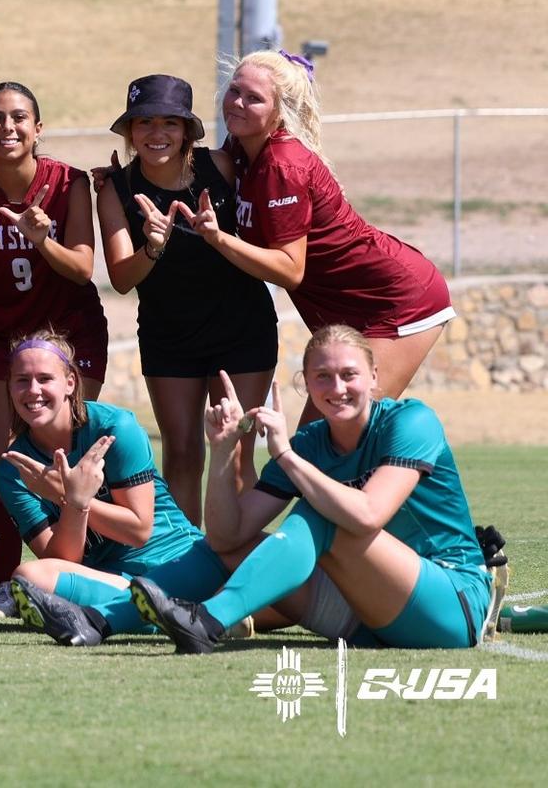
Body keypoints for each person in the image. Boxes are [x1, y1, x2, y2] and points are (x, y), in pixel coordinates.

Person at [133, 326, 494, 653]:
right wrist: (224, 453)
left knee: (321, 515)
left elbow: (369, 514)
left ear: (373, 377)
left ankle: (205, 620)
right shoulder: (311, 443)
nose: (337, 388)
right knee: (236, 547)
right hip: (365, 617)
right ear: (305, 383)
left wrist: (285, 455)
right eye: (322, 377)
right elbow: (227, 538)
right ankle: (101, 620)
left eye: (349, 375)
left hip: (452, 606)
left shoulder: (412, 422)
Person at [0, 81, 107, 616]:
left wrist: (40, 239)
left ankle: (89, 575)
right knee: (3, 457)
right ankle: (12, 582)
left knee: (73, 451)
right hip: (3, 338)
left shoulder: (68, 183)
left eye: (18, 118)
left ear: (38, 128)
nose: (7, 128)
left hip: (72, 332)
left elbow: (82, 268)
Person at [210, 51, 455, 414]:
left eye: (254, 98)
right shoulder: (243, 149)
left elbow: (290, 270)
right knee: (320, 442)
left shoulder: (282, 164)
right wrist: (124, 180)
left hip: (397, 301)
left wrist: (219, 239)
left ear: (280, 111)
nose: (238, 103)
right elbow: (195, 171)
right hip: (348, 309)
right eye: (234, 91)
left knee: (331, 431)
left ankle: (411, 470)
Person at [94, 74, 277, 520]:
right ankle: (184, 565)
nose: (157, 135)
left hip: (243, 331)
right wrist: (153, 246)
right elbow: (121, 278)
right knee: (181, 455)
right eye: (144, 123)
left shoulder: (223, 167)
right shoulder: (115, 190)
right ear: (130, 131)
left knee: (235, 452)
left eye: (170, 123)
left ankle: (236, 565)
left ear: (188, 130)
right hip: (169, 336)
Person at [0, 330, 240, 648]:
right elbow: (67, 558)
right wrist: (74, 503)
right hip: (114, 579)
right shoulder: (15, 469)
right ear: (9, 387)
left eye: (44, 378)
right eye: (21, 380)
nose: (33, 390)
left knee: (279, 592)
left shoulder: (114, 428)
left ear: (70, 383)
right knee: (29, 576)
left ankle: (170, 610)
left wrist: (70, 494)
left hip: (180, 560)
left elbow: (138, 530)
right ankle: (183, 613)